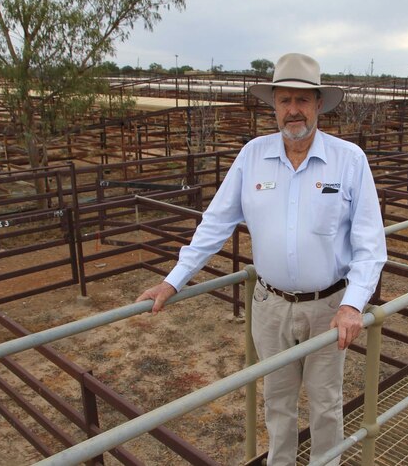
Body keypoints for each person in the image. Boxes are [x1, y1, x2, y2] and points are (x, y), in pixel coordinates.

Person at [136, 53, 387, 465]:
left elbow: (370, 245)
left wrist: (352, 305)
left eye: (302, 100)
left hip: (329, 306)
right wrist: (172, 280)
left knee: (325, 404)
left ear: (318, 104)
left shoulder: (349, 161)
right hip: (269, 306)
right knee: (277, 401)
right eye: (284, 100)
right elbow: (215, 224)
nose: (293, 110)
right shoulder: (252, 156)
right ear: (273, 105)